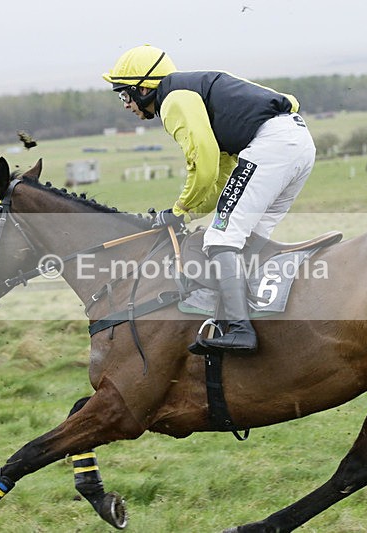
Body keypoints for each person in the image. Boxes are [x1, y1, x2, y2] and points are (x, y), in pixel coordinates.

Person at [103, 45, 316, 355]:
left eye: (124, 95)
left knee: (221, 237)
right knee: (248, 237)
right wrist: (186, 215)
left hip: (273, 145)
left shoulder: (174, 100)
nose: (125, 105)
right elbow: (220, 177)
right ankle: (257, 312)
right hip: (298, 143)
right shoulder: (194, 93)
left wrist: (178, 209)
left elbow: (202, 162)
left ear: (145, 88)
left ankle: (241, 329)